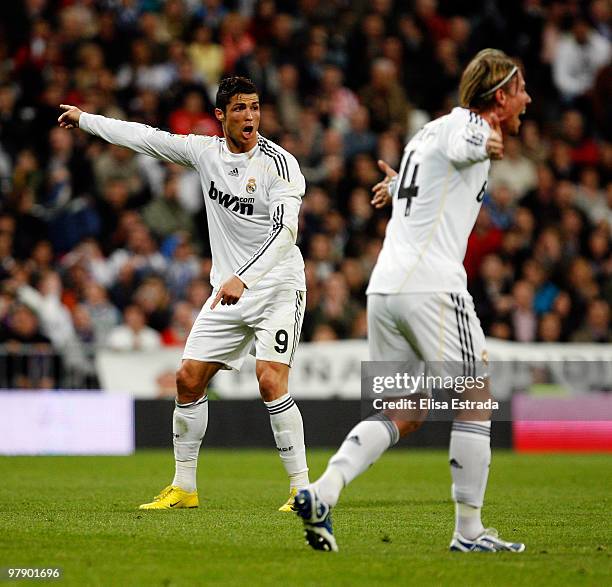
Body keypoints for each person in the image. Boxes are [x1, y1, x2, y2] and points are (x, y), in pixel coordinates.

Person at [295, 49, 531, 553]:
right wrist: (487, 139)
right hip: (432, 286)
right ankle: (469, 532)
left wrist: (395, 183)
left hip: (387, 287)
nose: (528, 99)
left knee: (406, 409)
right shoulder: (464, 124)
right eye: (521, 91)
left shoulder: (425, 135)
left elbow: (433, 180)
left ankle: (322, 491)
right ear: (500, 97)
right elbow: (470, 137)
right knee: (475, 395)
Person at [58, 76, 309, 511]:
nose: (249, 116)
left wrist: (243, 278)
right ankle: (184, 488)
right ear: (220, 116)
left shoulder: (279, 165)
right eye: (239, 109)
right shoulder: (204, 152)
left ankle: (302, 488)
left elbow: (286, 232)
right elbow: (145, 138)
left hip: (277, 287)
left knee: (270, 380)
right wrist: (86, 121)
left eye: (254, 107)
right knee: (187, 379)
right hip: (228, 291)